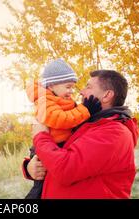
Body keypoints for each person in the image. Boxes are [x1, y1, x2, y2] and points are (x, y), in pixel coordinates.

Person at [24, 70, 139, 199]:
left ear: (107, 95)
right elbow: (58, 152)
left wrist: (40, 136)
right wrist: (29, 167)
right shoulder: (87, 124)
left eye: (88, 87)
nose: (81, 92)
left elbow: (65, 169)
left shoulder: (114, 133)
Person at [22, 58, 102, 199]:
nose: (71, 91)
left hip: (56, 146)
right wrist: (85, 110)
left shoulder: (62, 99)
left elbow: (74, 118)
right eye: (68, 87)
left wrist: (86, 111)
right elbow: (60, 120)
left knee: (49, 184)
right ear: (51, 86)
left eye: (72, 87)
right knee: (39, 188)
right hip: (45, 148)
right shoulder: (44, 101)